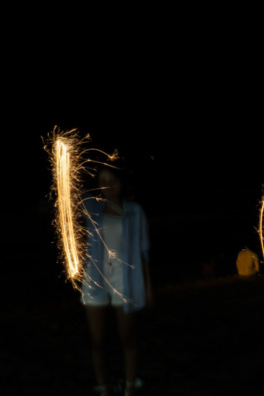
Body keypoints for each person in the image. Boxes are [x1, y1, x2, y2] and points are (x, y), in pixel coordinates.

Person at [81, 166, 152, 396]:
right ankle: (103, 387)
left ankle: (130, 385)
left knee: (127, 336)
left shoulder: (135, 211)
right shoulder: (92, 207)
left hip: (126, 279)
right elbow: (69, 196)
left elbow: (143, 251)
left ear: (122, 183)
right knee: (97, 340)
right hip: (95, 280)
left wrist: (148, 287)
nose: (109, 185)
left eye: (113, 180)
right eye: (103, 181)